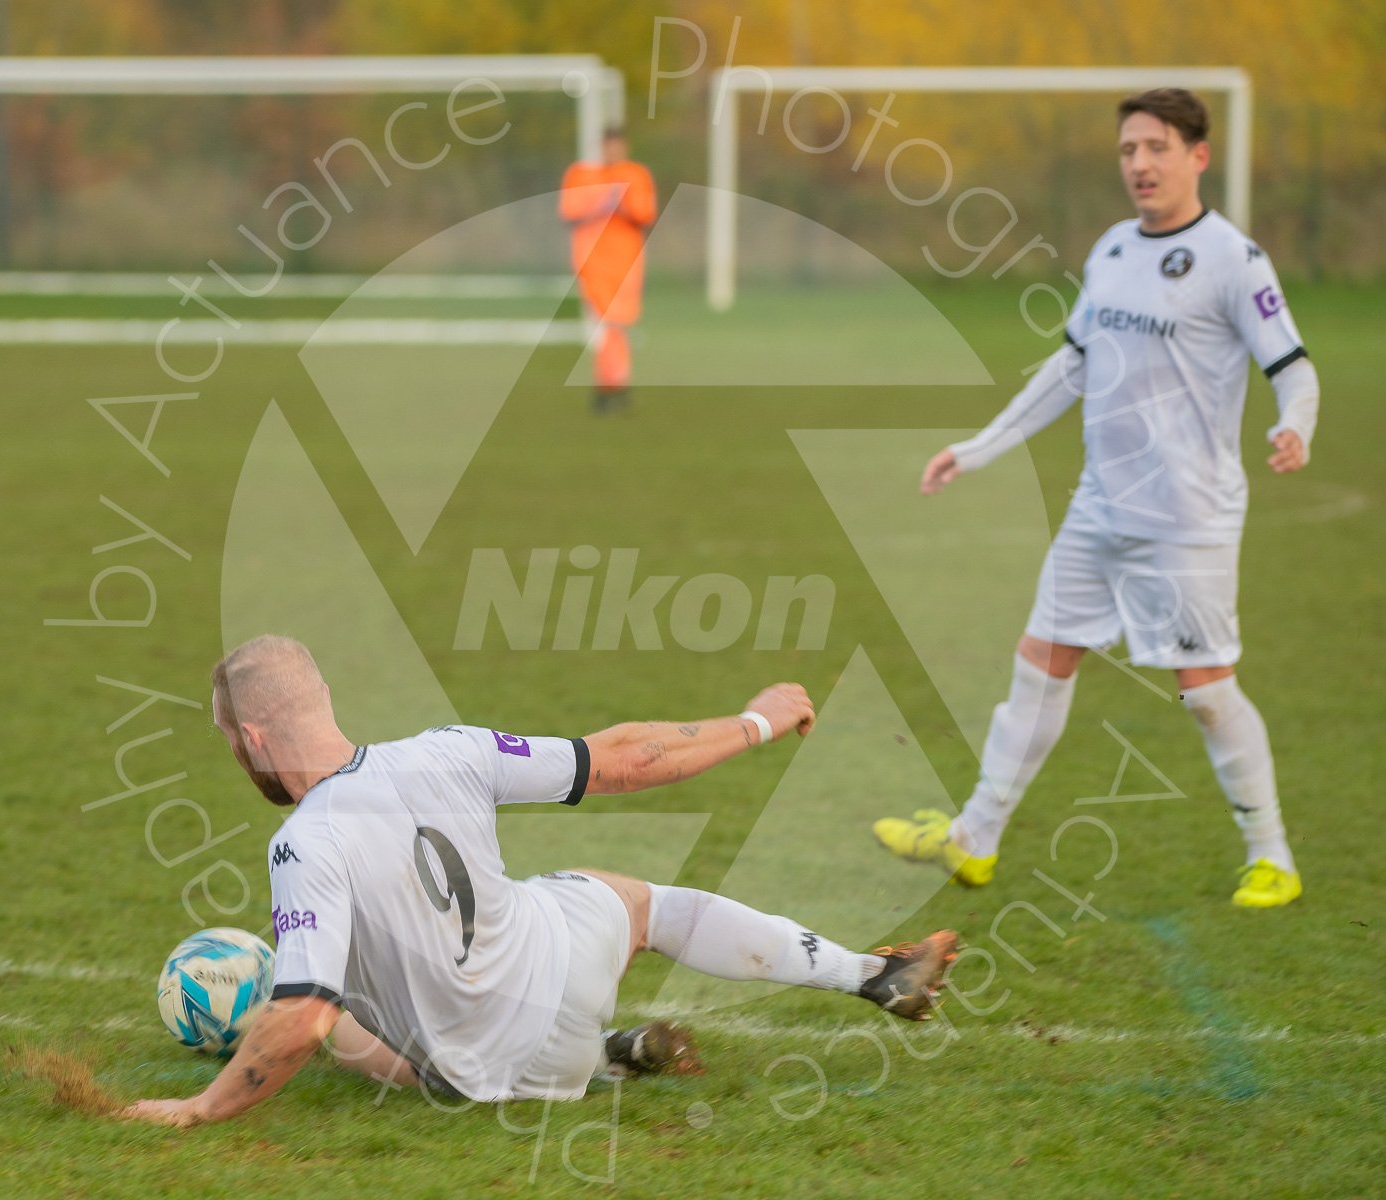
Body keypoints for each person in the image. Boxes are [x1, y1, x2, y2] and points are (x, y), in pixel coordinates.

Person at [124, 635, 957, 1126]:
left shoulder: (302, 846)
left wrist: (202, 1109)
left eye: (231, 742)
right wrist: (755, 721)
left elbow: (303, 1018)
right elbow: (628, 759)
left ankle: (604, 1057)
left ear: (253, 736)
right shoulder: (452, 750)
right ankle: (868, 975)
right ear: (325, 699)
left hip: (484, 1082)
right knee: (638, 902)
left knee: (340, 1020)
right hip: (565, 970)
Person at [874, 88, 1319, 909]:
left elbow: (1293, 367)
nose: (1140, 164)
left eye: (1156, 148)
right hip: (1099, 508)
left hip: (1187, 519)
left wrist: (1296, 425)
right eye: (1128, 150)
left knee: (1205, 690)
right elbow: (1072, 367)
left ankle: (1273, 856)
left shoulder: (1234, 259)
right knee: (1040, 660)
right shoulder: (1113, 248)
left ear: (1197, 156)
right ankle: (976, 837)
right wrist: (980, 447)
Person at [558, 127, 656, 413]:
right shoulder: (581, 175)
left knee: (618, 322)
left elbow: (645, 213)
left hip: (626, 259)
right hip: (592, 260)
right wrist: (601, 203)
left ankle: (612, 385)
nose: (613, 151)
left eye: (618, 146)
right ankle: (612, 385)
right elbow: (569, 212)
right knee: (603, 323)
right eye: (608, 146)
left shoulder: (636, 175)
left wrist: (621, 203)